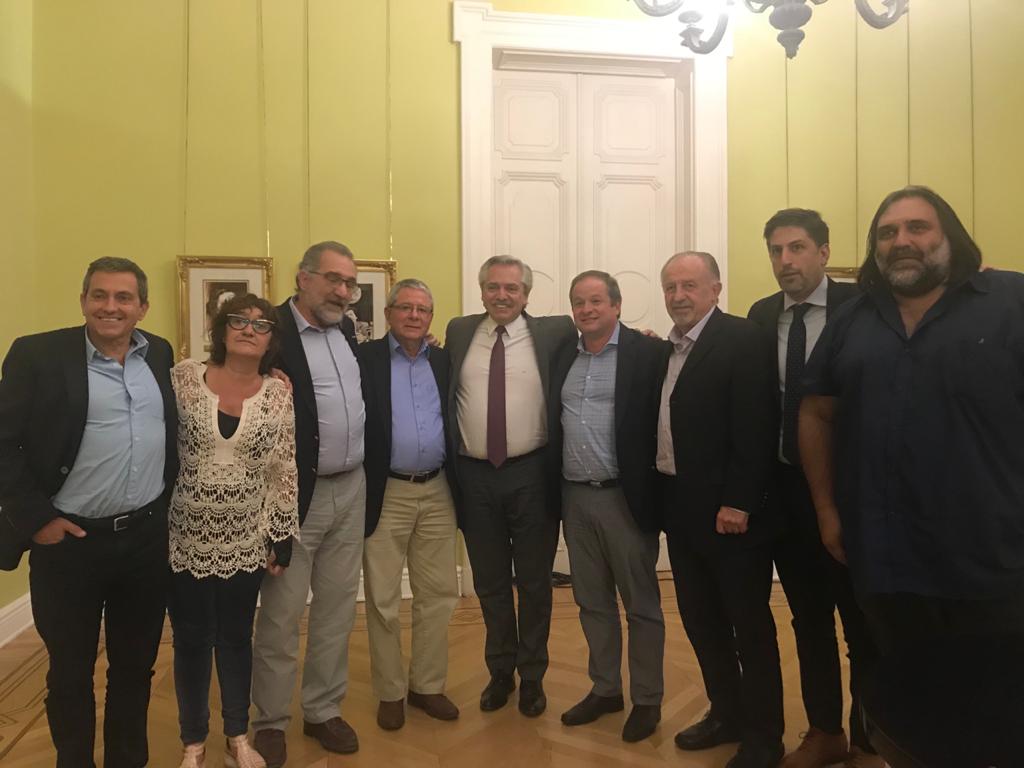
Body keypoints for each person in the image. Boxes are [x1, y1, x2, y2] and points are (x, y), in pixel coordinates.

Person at [800, 185, 1024, 657]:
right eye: (886, 233)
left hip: (993, 559)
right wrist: (826, 510)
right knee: (890, 681)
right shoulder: (850, 320)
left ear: (950, 237)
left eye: (917, 227)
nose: (900, 240)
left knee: (994, 690)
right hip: (883, 559)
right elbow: (816, 412)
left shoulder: (1010, 301)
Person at [0, 257, 177, 767]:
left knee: (135, 668)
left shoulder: (159, 353)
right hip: (69, 545)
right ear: (83, 301)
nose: (110, 307)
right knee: (70, 671)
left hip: (144, 542)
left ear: (143, 307)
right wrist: (37, 520)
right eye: (99, 295)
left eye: (123, 297)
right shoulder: (37, 355)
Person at [748, 210, 879, 768]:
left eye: (797, 248)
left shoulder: (865, 306)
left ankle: (871, 739)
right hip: (786, 494)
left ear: (824, 252)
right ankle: (826, 731)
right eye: (776, 250)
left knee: (863, 624)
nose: (786, 261)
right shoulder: (761, 315)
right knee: (808, 619)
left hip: (854, 493)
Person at [656, 252, 784, 768]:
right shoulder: (668, 349)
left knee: (748, 628)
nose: (678, 296)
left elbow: (756, 426)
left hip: (731, 517)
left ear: (715, 288)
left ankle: (764, 737)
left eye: (689, 285)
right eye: (670, 287)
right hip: (680, 511)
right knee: (701, 622)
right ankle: (725, 713)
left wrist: (739, 501)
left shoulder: (742, 338)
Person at [168, 294, 298, 768]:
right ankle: (193, 742)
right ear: (222, 330)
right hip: (183, 535)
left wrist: (281, 533)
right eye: (239, 321)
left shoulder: (278, 393)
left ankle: (237, 737)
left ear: (270, 340)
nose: (249, 330)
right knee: (191, 639)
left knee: (236, 638)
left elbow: (284, 467)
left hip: (246, 538)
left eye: (261, 325)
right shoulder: (183, 378)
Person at [445, 255, 577, 717]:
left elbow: (602, 337)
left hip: (532, 474)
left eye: (512, 288)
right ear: (481, 290)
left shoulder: (555, 332)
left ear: (526, 294)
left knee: (536, 583)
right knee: (490, 582)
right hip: (475, 476)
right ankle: (500, 671)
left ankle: (533, 676)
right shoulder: (459, 331)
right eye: (493, 287)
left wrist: (644, 340)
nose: (502, 296)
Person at [251, 242, 366, 766]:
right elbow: (226, 379)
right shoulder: (269, 331)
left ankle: (322, 709)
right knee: (281, 614)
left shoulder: (348, 330)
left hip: (352, 488)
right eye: (333, 279)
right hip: (294, 495)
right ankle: (270, 721)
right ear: (303, 278)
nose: (342, 291)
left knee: (337, 610)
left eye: (349, 283)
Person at [551, 270, 667, 742]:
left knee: (641, 605)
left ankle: (648, 699)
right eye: (579, 302)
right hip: (575, 497)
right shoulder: (563, 354)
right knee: (591, 601)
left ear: (617, 305)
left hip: (626, 497)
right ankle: (605, 689)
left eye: (596, 300)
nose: (587, 309)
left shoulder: (650, 353)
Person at [358, 278, 461, 731]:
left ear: (431, 317)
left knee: (438, 594)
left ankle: (427, 685)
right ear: (389, 314)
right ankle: (390, 691)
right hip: (386, 492)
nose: (414, 316)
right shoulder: (364, 359)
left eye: (423, 309)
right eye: (405, 307)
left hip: (438, 490)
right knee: (383, 599)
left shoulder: (444, 360)